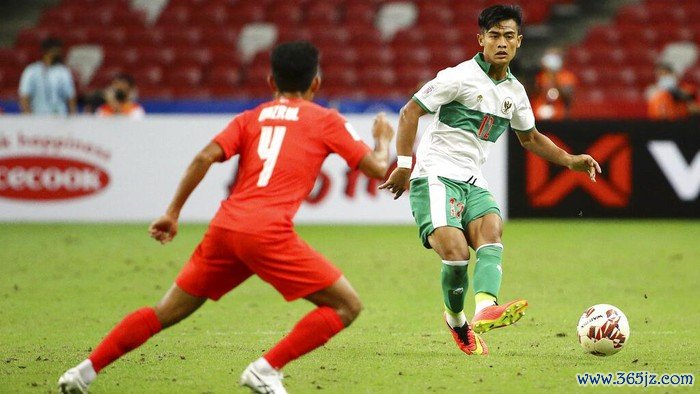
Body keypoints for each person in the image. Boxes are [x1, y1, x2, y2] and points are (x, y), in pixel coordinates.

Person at [58, 41, 394, 394]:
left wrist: (173, 213)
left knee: (164, 311)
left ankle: (83, 371)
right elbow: (376, 168)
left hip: (226, 228)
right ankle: (266, 369)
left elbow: (204, 157)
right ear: (316, 84)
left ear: (270, 81)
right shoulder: (327, 120)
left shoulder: (250, 118)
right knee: (346, 305)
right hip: (267, 233)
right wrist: (382, 140)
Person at [379, 5, 601, 356]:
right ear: (480, 39)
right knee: (455, 255)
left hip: (472, 180)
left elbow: (530, 138)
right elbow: (410, 111)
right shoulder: (458, 77)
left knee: (492, 229)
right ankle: (456, 320)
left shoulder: (515, 91)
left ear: (519, 42)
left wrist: (570, 160)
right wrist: (405, 164)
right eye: (494, 35)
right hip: (435, 175)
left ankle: (485, 308)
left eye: (509, 36)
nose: (501, 42)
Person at [18, 38, 77, 115]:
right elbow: (24, 95)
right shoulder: (32, 71)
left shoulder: (63, 71)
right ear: (46, 52)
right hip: (38, 117)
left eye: (59, 51)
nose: (58, 54)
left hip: (60, 118)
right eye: (55, 51)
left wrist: (73, 116)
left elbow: (70, 96)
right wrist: (28, 117)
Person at [532, 47, 577, 120]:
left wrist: (555, 79)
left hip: (559, 115)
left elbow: (567, 97)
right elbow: (534, 93)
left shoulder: (567, 76)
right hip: (539, 115)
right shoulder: (540, 76)